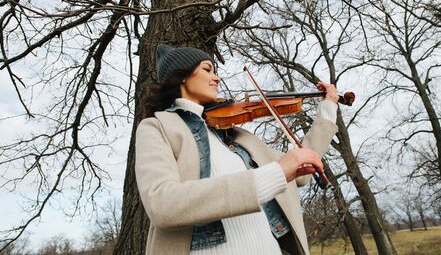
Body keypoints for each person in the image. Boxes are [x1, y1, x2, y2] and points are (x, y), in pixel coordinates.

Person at [135, 44, 339, 255]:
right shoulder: (157, 127)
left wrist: (328, 108)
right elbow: (162, 205)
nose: (217, 78)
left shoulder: (236, 135)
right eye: (207, 70)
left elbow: (301, 169)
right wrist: (269, 176)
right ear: (182, 76)